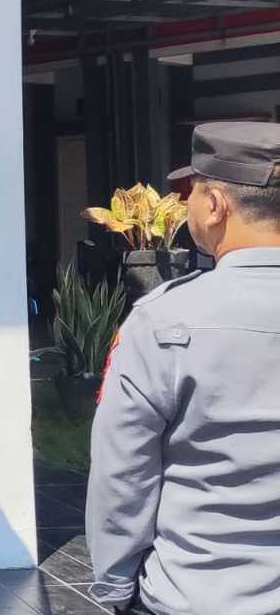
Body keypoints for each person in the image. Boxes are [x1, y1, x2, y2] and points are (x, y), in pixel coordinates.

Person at [87, 122, 280, 615]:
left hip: (195, 594)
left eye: (190, 193)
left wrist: (115, 587)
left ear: (214, 204)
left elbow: (123, 475)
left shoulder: (162, 320)